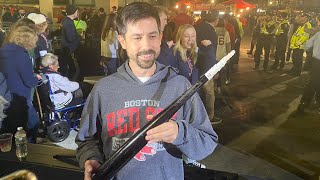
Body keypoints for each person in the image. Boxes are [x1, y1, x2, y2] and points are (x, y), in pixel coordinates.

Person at [76, 2, 218, 180]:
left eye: (152, 36)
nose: (146, 46)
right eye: (137, 37)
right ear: (122, 41)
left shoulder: (179, 86)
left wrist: (180, 133)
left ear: (160, 37)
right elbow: (86, 140)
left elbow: (207, 143)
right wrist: (90, 158)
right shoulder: (103, 90)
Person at [0, 25, 41, 142]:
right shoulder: (22, 55)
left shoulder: (3, 50)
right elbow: (29, 81)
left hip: (5, 94)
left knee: (9, 127)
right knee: (29, 124)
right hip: (19, 95)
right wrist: (37, 78)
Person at [60, 4, 80, 80]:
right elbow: (70, 38)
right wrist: (79, 37)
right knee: (73, 70)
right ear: (74, 12)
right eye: (77, 11)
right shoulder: (69, 23)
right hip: (68, 49)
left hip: (66, 49)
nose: (78, 13)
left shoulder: (66, 20)